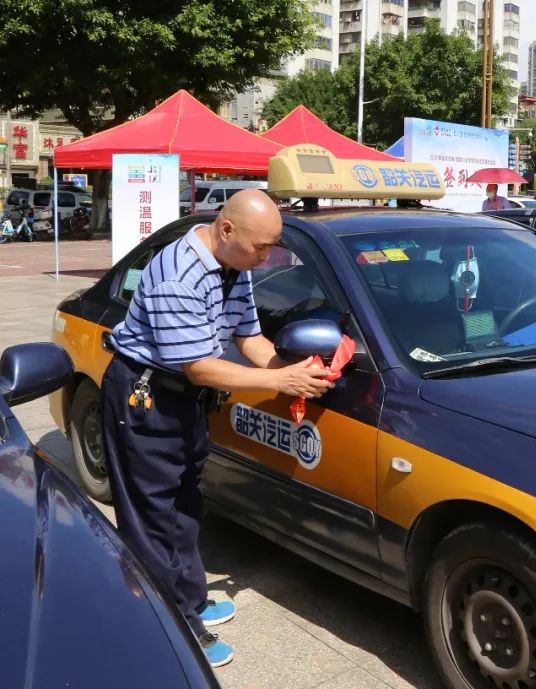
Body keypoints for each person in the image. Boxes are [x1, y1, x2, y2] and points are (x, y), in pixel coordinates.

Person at [101, 189, 335, 668]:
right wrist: (278, 379)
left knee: (185, 505)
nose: (267, 258)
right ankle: (174, 624)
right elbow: (200, 367)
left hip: (184, 401)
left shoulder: (235, 266)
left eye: (272, 247)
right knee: (152, 518)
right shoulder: (177, 275)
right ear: (226, 230)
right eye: (260, 247)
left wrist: (297, 372)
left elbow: (247, 337)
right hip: (147, 398)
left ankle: (189, 596)